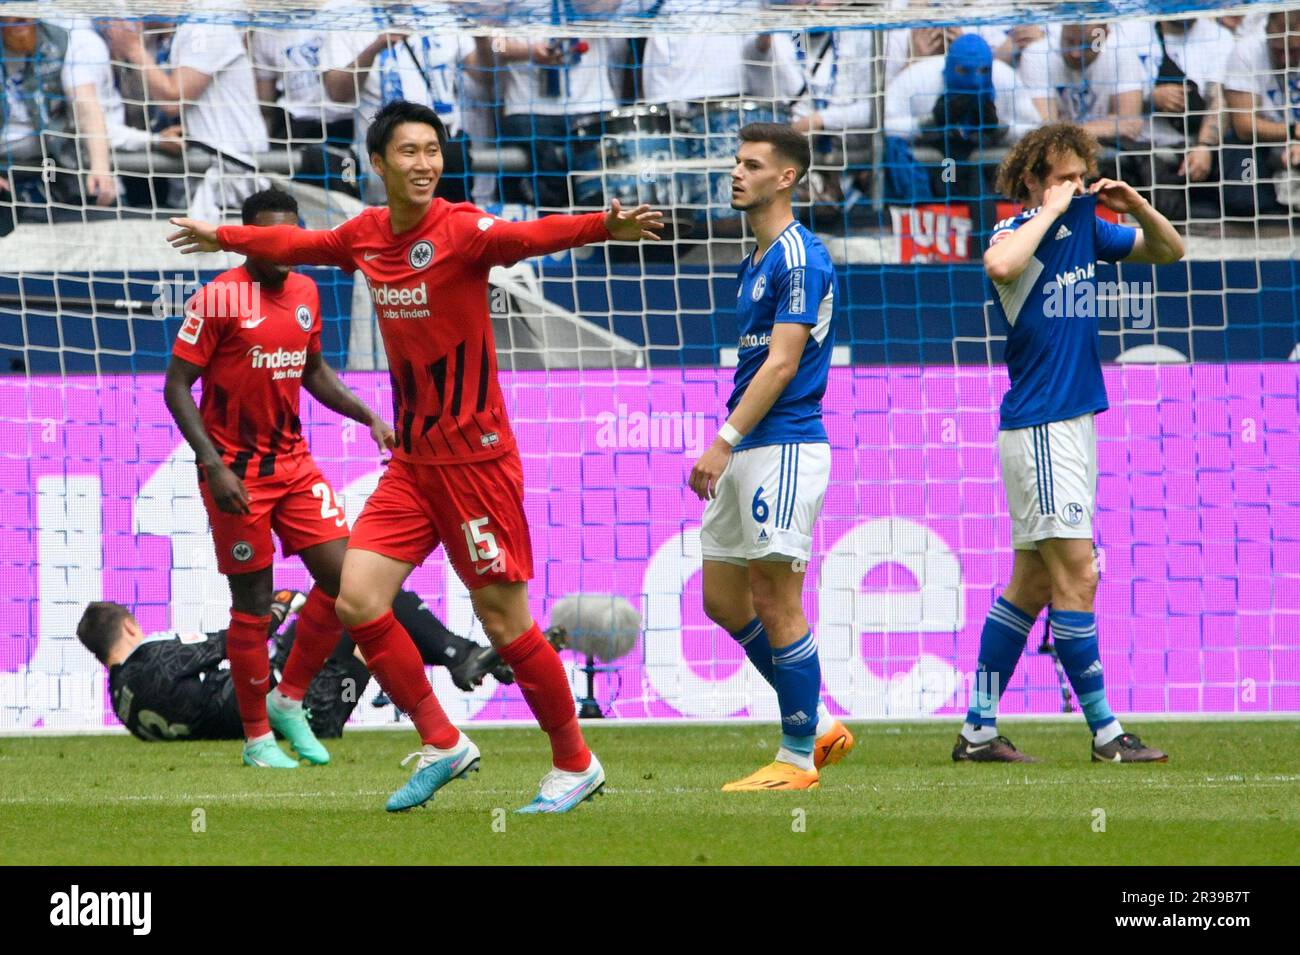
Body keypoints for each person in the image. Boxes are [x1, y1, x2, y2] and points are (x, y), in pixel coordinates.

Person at [166, 100, 663, 813]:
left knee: (505, 623)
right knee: (358, 597)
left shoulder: (459, 229)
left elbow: (530, 235)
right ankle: (443, 740)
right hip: (414, 461)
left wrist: (599, 227)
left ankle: (574, 760)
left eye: (432, 150)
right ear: (378, 163)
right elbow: (293, 244)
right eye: (409, 152)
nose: (425, 163)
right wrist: (218, 232)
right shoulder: (366, 234)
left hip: (475, 463)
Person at [958, 122, 1183, 763]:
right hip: (1040, 427)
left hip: (1074, 425)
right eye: (1063, 177)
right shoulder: (1013, 233)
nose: (1076, 188)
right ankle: (1108, 735)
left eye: (1081, 176)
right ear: (1033, 179)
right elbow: (998, 264)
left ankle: (977, 728)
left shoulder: (1089, 227)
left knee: (1029, 585)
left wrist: (1135, 206)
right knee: (1079, 576)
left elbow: (1170, 252)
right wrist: (1050, 209)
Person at [164, 186, 395, 769]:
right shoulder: (218, 298)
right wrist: (212, 464)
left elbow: (313, 369)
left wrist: (368, 414)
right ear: (247, 238)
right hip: (235, 473)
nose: (285, 248)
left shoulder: (307, 291)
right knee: (254, 603)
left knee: (348, 584)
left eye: (293, 236)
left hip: (294, 465)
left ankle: (290, 697)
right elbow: (174, 388)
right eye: (272, 237)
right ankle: (257, 739)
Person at [689, 123, 852, 791]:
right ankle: (816, 722)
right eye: (736, 162)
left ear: (786, 177)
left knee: (777, 598)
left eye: (752, 164)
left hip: (783, 444)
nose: (737, 173)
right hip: (753, 444)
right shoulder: (754, 260)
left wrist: (722, 439)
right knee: (723, 599)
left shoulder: (798, 257)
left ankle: (795, 758)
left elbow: (783, 363)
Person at [75, 590, 513, 744]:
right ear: (130, 626)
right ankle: (461, 655)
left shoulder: (122, 702)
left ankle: (466, 656)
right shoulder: (156, 659)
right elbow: (236, 641)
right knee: (364, 599)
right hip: (303, 704)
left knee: (361, 630)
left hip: (300, 706)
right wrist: (278, 609)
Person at [1221, 10, 1300, 218]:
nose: (1285, 59)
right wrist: (1293, 132)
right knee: (1246, 200)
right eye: (1277, 50)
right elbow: (1244, 126)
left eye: (1294, 51)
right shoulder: (1247, 51)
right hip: (1261, 148)